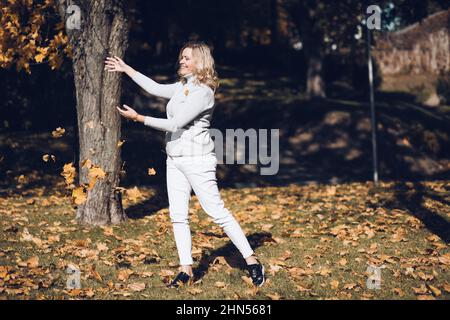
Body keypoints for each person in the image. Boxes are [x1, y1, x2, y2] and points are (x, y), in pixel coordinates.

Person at [104, 41, 265, 288]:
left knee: (216, 212)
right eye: (181, 57)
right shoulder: (183, 87)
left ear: (200, 62)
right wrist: (127, 69)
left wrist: (139, 118)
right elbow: (155, 88)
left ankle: (252, 260)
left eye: (187, 58)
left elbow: (175, 124)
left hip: (198, 161)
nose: (182, 61)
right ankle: (186, 270)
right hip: (175, 161)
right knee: (178, 216)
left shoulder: (203, 93)